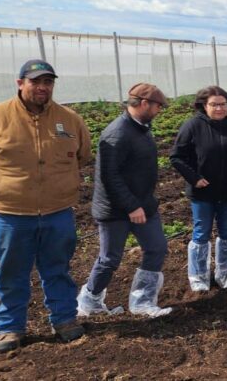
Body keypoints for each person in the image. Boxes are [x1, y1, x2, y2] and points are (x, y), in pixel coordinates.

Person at [0, 60, 90, 353]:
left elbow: (82, 155)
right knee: (12, 272)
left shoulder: (70, 119)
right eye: (35, 81)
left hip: (58, 210)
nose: (42, 87)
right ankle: (11, 327)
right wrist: (3, 184)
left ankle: (64, 319)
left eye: (48, 82)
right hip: (12, 213)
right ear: (20, 83)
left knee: (58, 268)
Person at [78, 82, 172, 318]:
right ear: (144, 103)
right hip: (116, 210)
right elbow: (109, 176)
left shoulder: (141, 128)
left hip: (143, 205)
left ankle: (143, 302)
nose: (160, 111)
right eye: (158, 106)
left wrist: (142, 203)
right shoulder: (117, 133)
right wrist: (131, 206)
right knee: (110, 259)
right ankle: (90, 300)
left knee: (157, 248)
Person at [170, 86, 227, 292]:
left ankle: (225, 273)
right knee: (201, 232)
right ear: (204, 106)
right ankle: (198, 276)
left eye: (223, 104)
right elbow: (177, 157)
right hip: (202, 193)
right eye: (214, 105)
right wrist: (194, 178)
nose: (219, 108)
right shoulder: (192, 126)